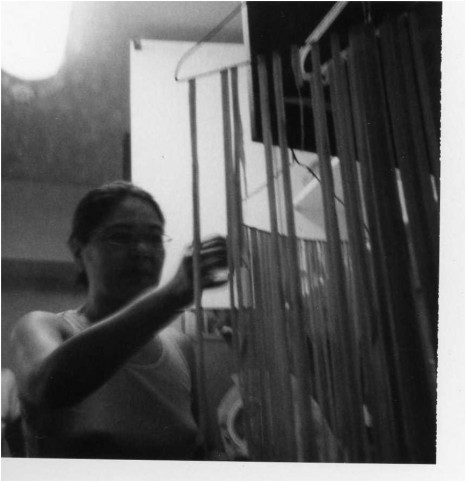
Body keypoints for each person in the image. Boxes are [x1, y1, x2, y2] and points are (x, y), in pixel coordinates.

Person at [10, 181, 228, 460]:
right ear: (78, 252)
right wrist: (174, 294)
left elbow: (204, 450)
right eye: (120, 237)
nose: (142, 250)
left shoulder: (181, 346)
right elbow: (49, 387)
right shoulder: (42, 327)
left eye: (154, 238)